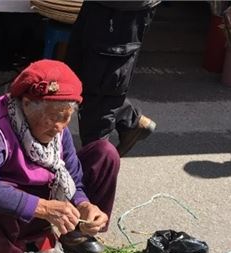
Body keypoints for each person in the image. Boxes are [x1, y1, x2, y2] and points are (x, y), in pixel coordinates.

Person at [0, 59, 120, 253]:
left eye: (66, 118)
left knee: (105, 153)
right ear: (26, 104)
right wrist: (44, 208)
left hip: (43, 197)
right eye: (53, 118)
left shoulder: (59, 130)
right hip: (10, 212)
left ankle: (75, 233)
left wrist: (84, 205)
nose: (59, 128)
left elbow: (73, 177)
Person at [66, 0, 161, 156]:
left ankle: (95, 166)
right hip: (101, 7)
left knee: (100, 89)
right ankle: (129, 120)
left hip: (118, 10)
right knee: (78, 75)